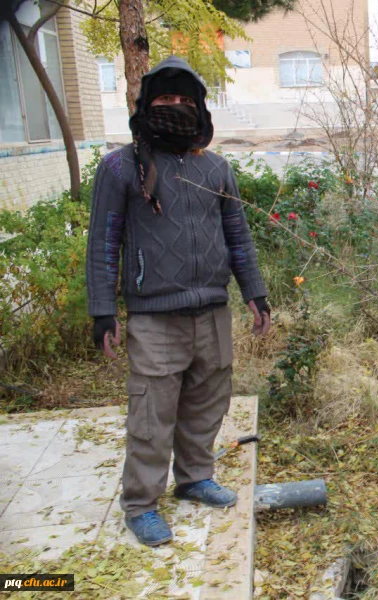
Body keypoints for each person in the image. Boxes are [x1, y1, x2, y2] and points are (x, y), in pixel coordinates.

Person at [86, 57, 270, 547]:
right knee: (151, 413)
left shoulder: (216, 167)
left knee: (208, 401)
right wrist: (102, 310)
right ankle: (141, 503)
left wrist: (255, 292)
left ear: (201, 109)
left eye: (186, 100)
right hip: (154, 315)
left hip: (212, 309)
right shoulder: (120, 168)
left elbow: (237, 235)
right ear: (147, 106)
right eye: (165, 98)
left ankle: (194, 477)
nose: (175, 106)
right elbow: (104, 243)